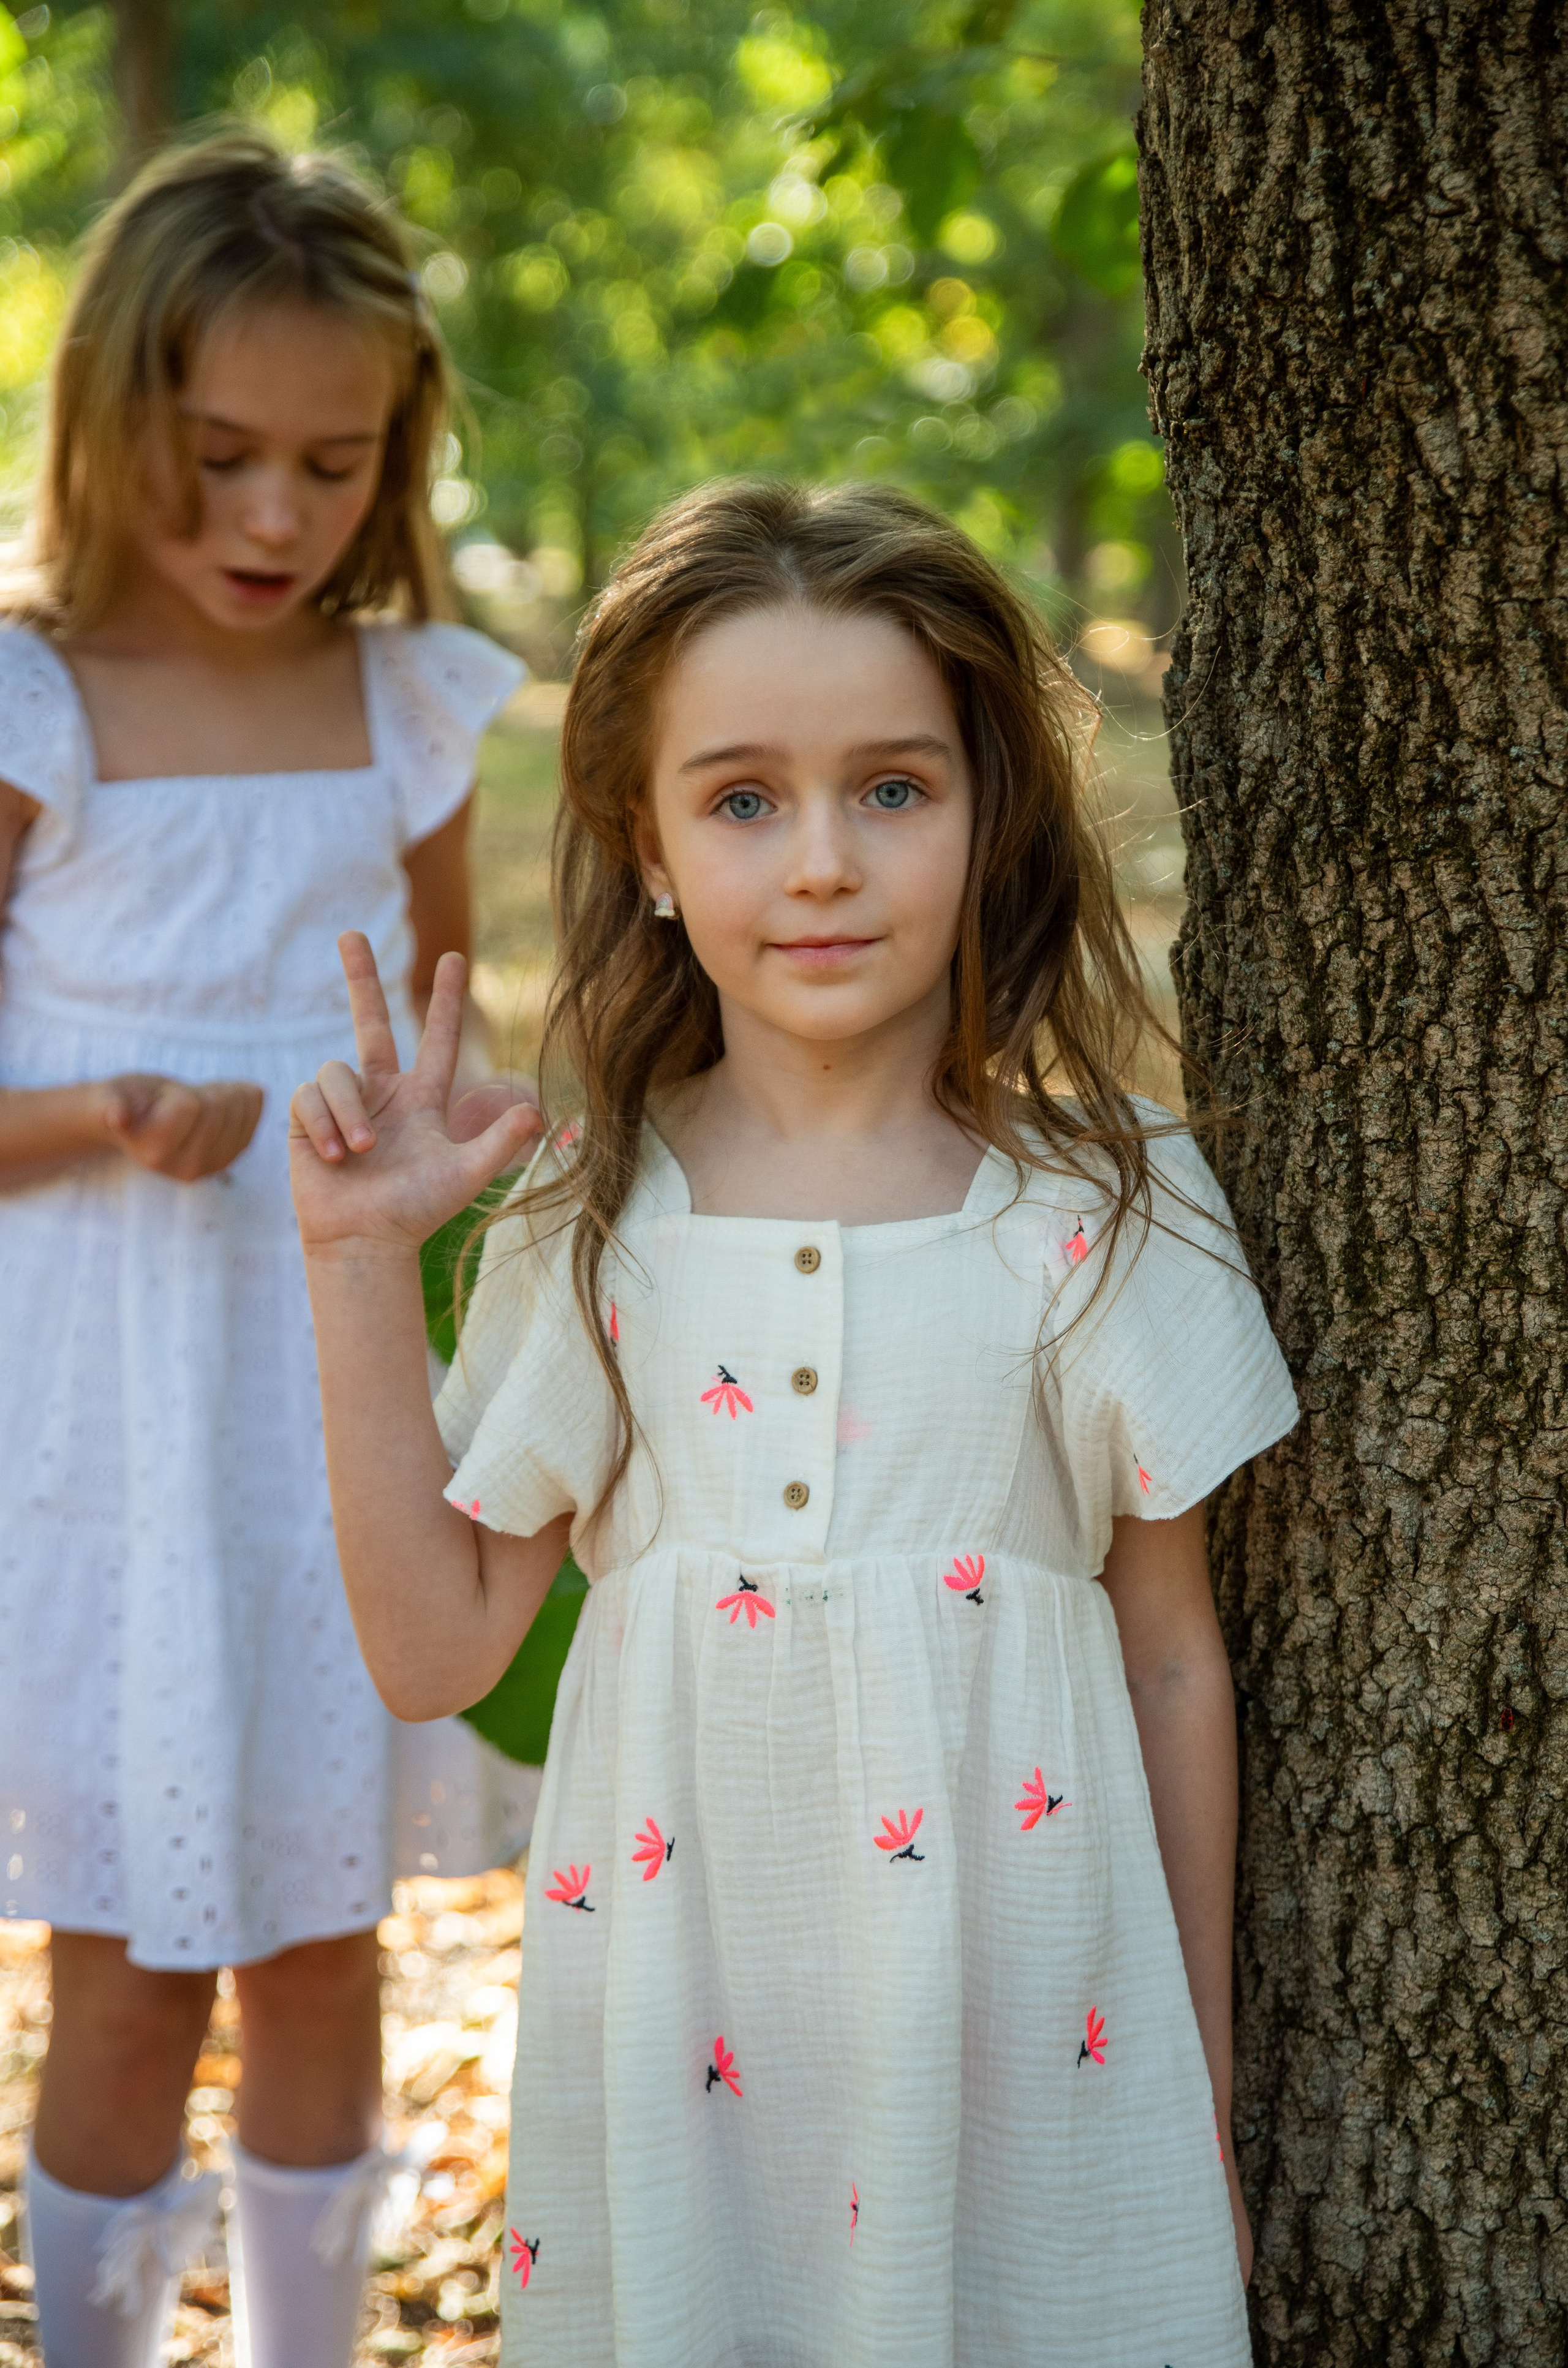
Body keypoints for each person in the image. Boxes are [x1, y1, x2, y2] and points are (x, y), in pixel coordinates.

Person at [288, 478, 1300, 2368]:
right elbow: (435, 1647)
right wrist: (357, 1262)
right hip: (691, 2067)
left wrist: (1203, 2095)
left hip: (1032, 2055)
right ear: (645, 843)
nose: (821, 861)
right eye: (743, 798)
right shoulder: (590, 1220)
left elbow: (1172, 1656)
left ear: (988, 815)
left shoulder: (1108, 1202)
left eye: (894, 787)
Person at [0, 131, 535, 2367]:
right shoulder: (31, 706)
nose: (275, 519)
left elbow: (442, 1024)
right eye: (220, 456)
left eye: (334, 462)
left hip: (332, 1413)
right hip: (109, 1427)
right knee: (134, 1963)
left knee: (330, 1932)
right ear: (113, 415)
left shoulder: (407, 710)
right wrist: (105, 1117)